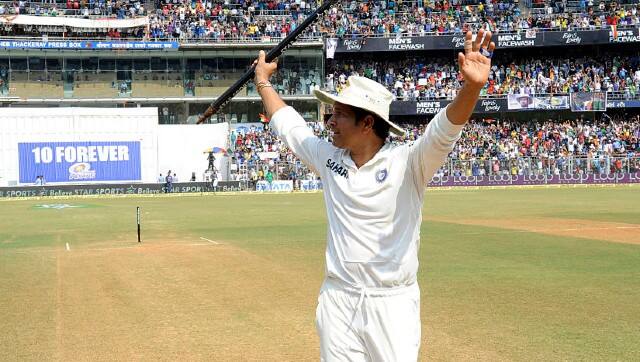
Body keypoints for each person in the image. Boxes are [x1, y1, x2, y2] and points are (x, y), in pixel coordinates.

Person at [253, 29, 495, 361]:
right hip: (338, 300)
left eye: (339, 114)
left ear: (367, 124)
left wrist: (472, 88)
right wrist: (264, 82)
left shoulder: (409, 162)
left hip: (392, 305)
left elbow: (444, 131)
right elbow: (288, 125)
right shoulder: (328, 158)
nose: (329, 121)